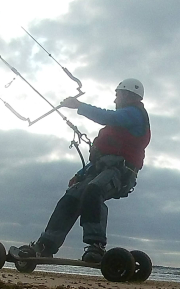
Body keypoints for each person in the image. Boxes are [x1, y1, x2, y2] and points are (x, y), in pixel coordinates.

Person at [21, 78, 151, 263]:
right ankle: (46, 245)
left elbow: (109, 117)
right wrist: (80, 174)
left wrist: (79, 106)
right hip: (101, 171)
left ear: (127, 94)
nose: (115, 100)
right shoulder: (119, 124)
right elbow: (101, 159)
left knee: (94, 190)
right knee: (71, 197)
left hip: (121, 174)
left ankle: (96, 246)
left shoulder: (134, 114)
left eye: (117, 95)